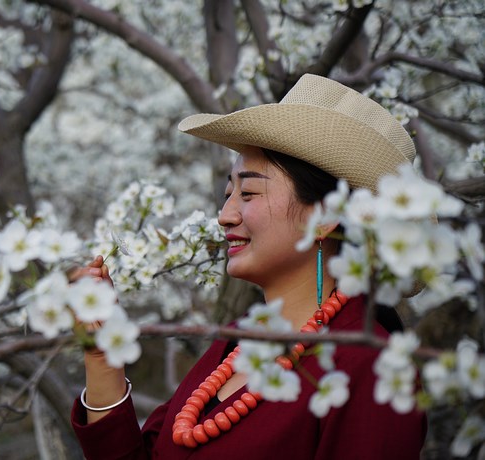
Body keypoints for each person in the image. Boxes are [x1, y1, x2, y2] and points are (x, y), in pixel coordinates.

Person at [70, 74, 427, 459]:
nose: (224, 216)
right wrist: (102, 356)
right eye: (228, 194)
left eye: (249, 193)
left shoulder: (373, 369)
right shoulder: (235, 343)